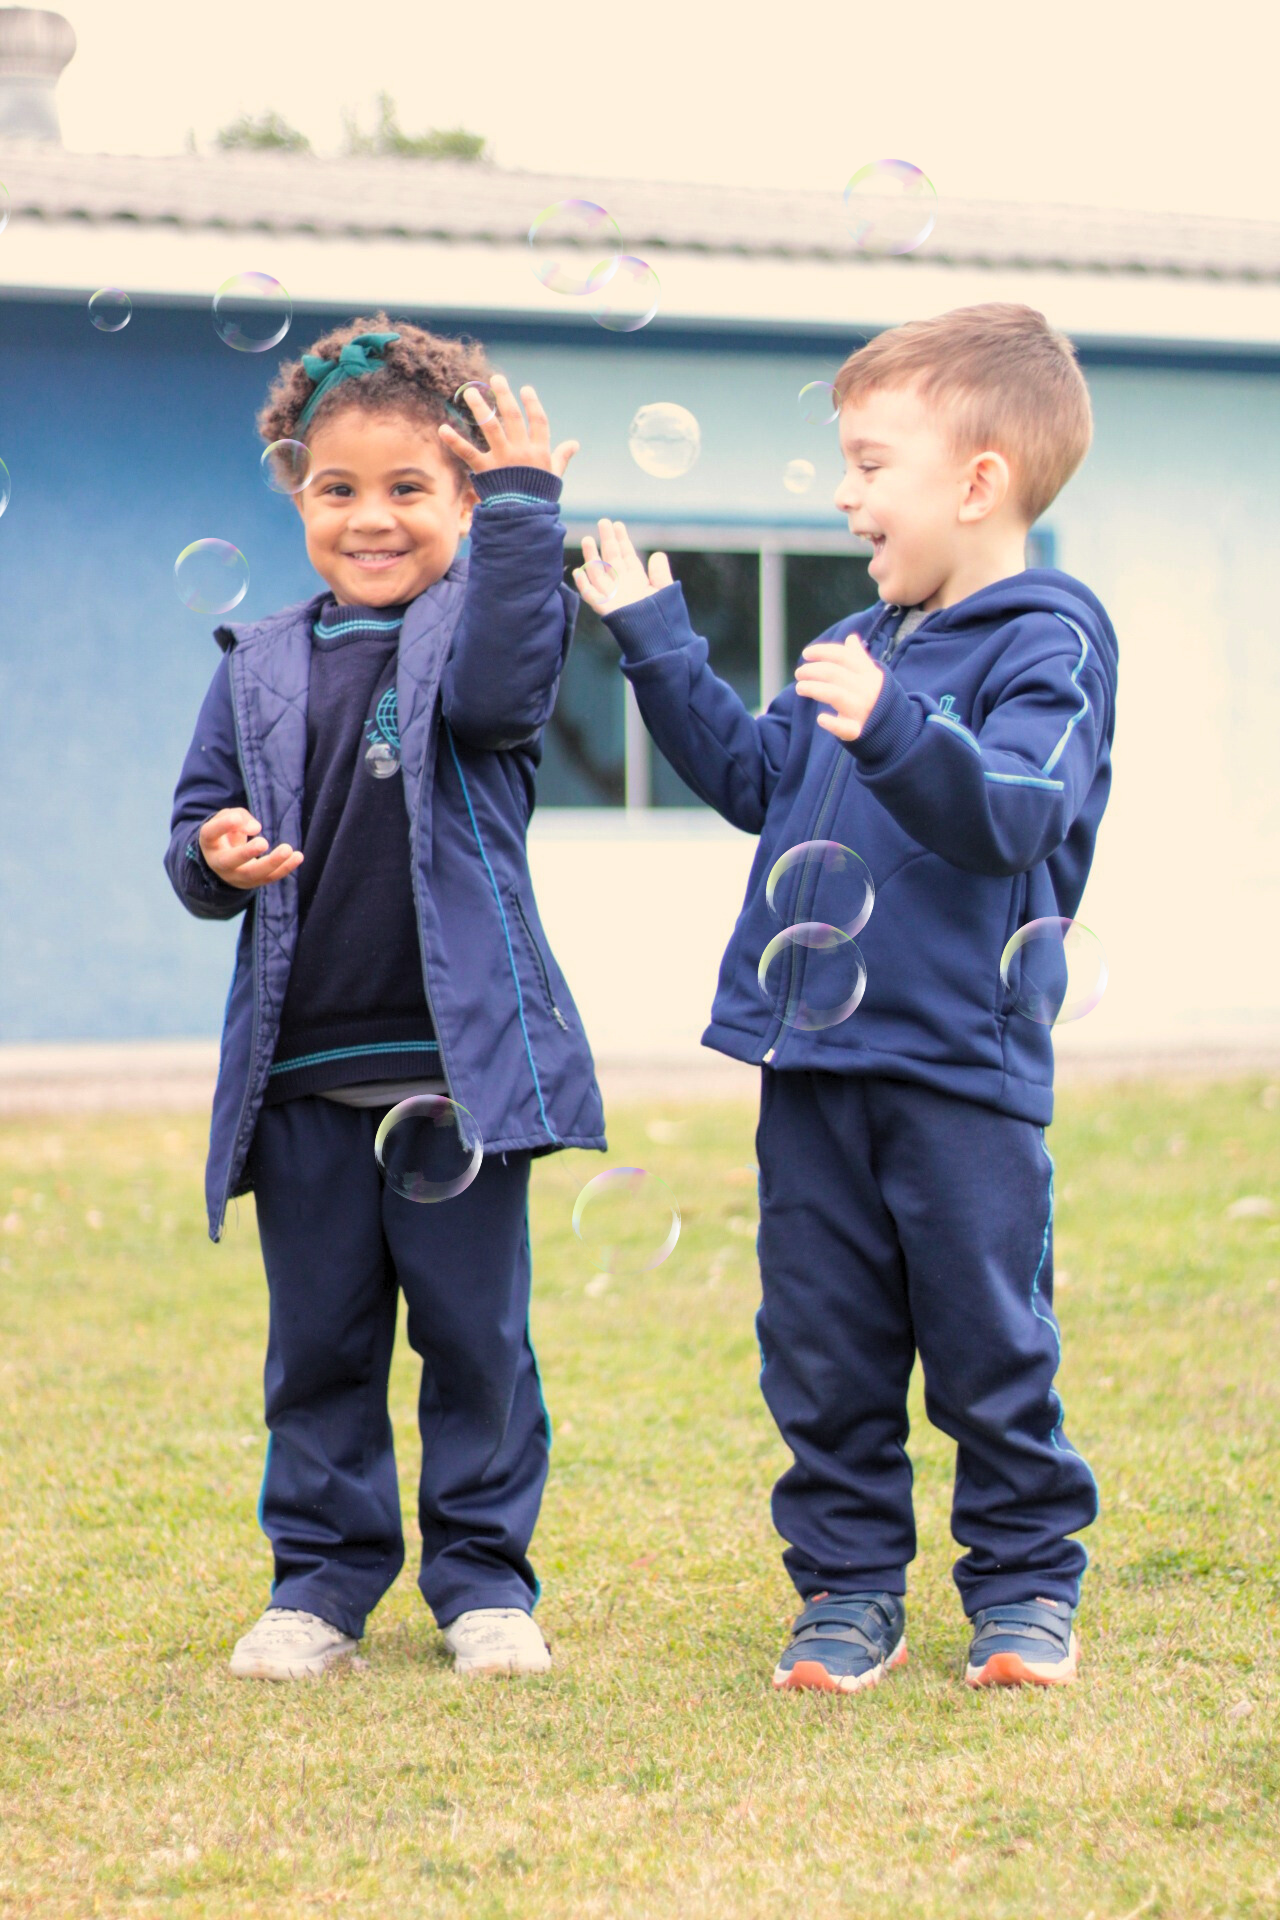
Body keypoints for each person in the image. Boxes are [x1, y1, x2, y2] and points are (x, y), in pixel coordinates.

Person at [574, 303, 1117, 1692]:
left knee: (991, 1342)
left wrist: (894, 726)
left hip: (958, 1071)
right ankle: (846, 1589)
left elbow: (1014, 811)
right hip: (811, 1057)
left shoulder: (1046, 642)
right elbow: (757, 784)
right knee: (820, 1350)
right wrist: (651, 638)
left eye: (872, 464)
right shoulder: (866, 635)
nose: (844, 491)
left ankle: (1023, 1587)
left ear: (979, 482)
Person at [166, 316, 604, 1681]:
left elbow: (505, 681)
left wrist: (529, 512)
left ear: (462, 501)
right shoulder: (256, 664)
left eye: (412, 488)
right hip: (302, 1079)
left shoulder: (475, 634)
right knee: (319, 1349)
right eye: (339, 488)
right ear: (297, 493)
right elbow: (193, 832)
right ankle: (319, 1586)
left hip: (455, 1073)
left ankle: (483, 1585)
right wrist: (215, 856)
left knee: (477, 1345)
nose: (372, 517)